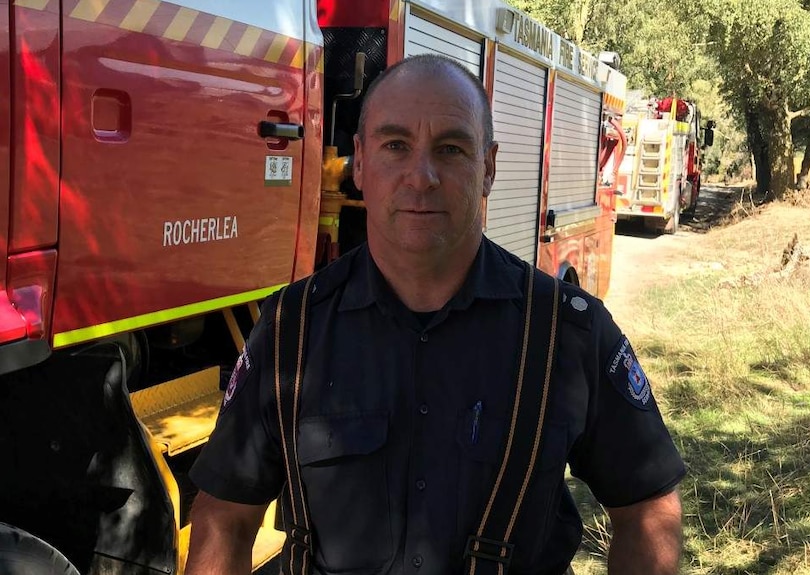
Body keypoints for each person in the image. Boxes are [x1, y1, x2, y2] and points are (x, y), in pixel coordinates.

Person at [185, 54, 685, 575]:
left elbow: (647, 506)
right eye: (395, 145)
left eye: (450, 149)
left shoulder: (569, 333)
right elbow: (225, 515)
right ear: (359, 161)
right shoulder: (291, 331)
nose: (421, 177)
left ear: (487, 168)